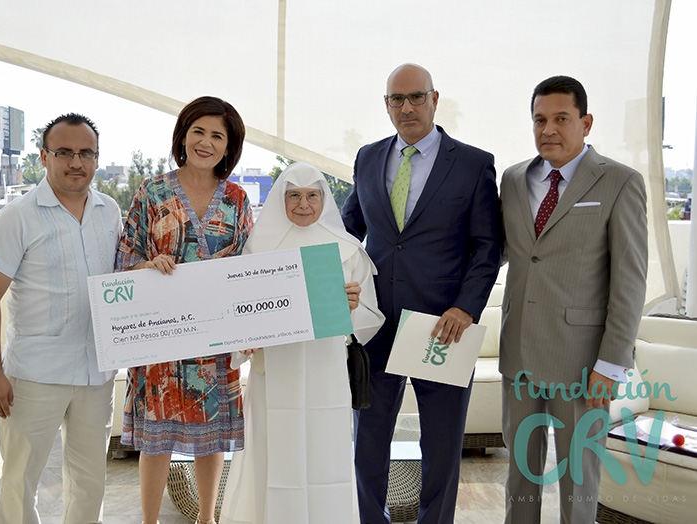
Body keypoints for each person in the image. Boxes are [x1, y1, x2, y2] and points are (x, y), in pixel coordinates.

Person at [341, 63, 502, 523]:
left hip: (443, 327)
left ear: (434, 99)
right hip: (374, 326)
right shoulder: (368, 157)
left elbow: (487, 246)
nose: (407, 107)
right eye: (397, 99)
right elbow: (348, 230)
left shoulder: (473, 164)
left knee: (443, 447)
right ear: (386, 105)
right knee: (367, 443)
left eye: (416, 97)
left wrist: (466, 308)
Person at [499, 75, 647, 523]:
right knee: (519, 476)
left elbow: (630, 281)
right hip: (519, 353)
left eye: (561, 119)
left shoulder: (620, 182)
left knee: (578, 481)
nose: (548, 129)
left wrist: (611, 363)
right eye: (539, 120)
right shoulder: (513, 179)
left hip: (583, 364)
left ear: (586, 123)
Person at [0, 113, 122, 524]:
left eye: (86, 153)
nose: (76, 162)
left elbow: (121, 280)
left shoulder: (109, 211)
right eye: (64, 152)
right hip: (34, 375)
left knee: (90, 481)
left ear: (96, 158)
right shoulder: (19, 215)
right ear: (44, 157)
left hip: (97, 372)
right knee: (20, 480)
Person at [219, 162, 385, 524]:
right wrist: (245, 340)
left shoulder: (347, 249)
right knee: (275, 450)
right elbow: (239, 311)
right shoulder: (258, 249)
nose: (303, 204)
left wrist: (352, 307)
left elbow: (368, 319)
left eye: (312, 195)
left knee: (325, 452)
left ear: (325, 200)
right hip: (274, 371)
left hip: (326, 368)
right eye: (294, 195)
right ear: (281, 199)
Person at [116, 96, 253, 524]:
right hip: (161, 336)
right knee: (156, 439)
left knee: (211, 438)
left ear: (229, 147)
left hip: (215, 339)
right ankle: (149, 521)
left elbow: (250, 267)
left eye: (217, 136)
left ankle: (207, 518)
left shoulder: (237, 199)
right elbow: (125, 257)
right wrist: (147, 266)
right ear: (183, 136)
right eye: (198, 132)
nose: (206, 142)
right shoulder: (152, 192)